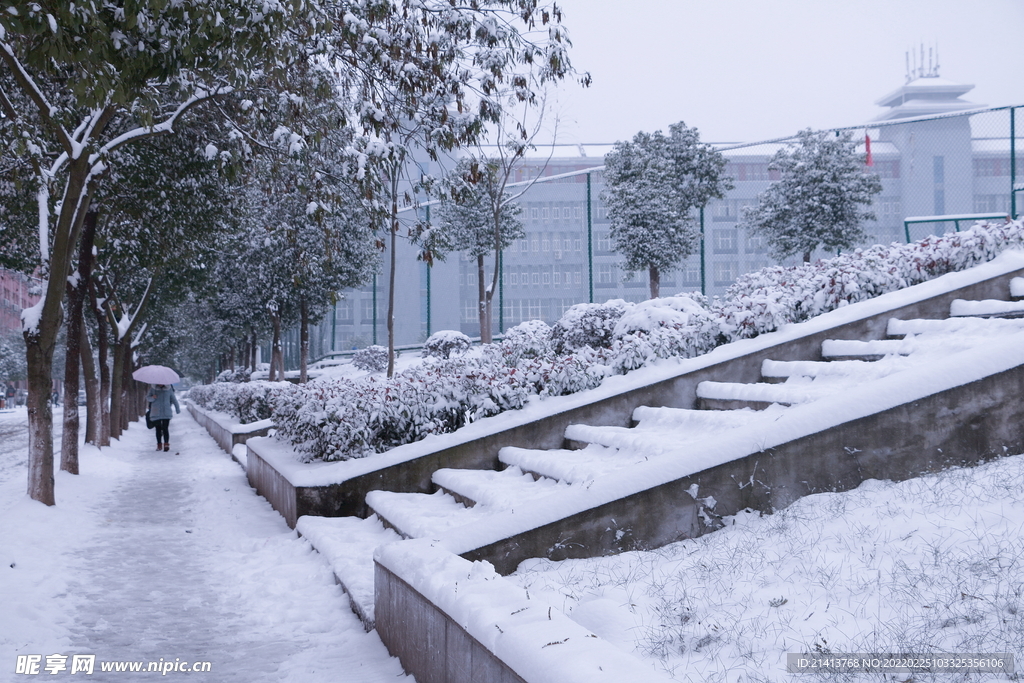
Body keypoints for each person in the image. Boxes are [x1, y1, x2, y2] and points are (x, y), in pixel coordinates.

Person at [146, 384, 181, 452]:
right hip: (156, 411)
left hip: (166, 411)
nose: (160, 383)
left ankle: (166, 444)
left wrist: (177, 408)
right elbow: (147, 397)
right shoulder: (153, 389)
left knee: (165, 428)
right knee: (158, 429)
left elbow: (173, 399)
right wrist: (153, 397)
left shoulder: (169, 389)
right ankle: (159, 444)